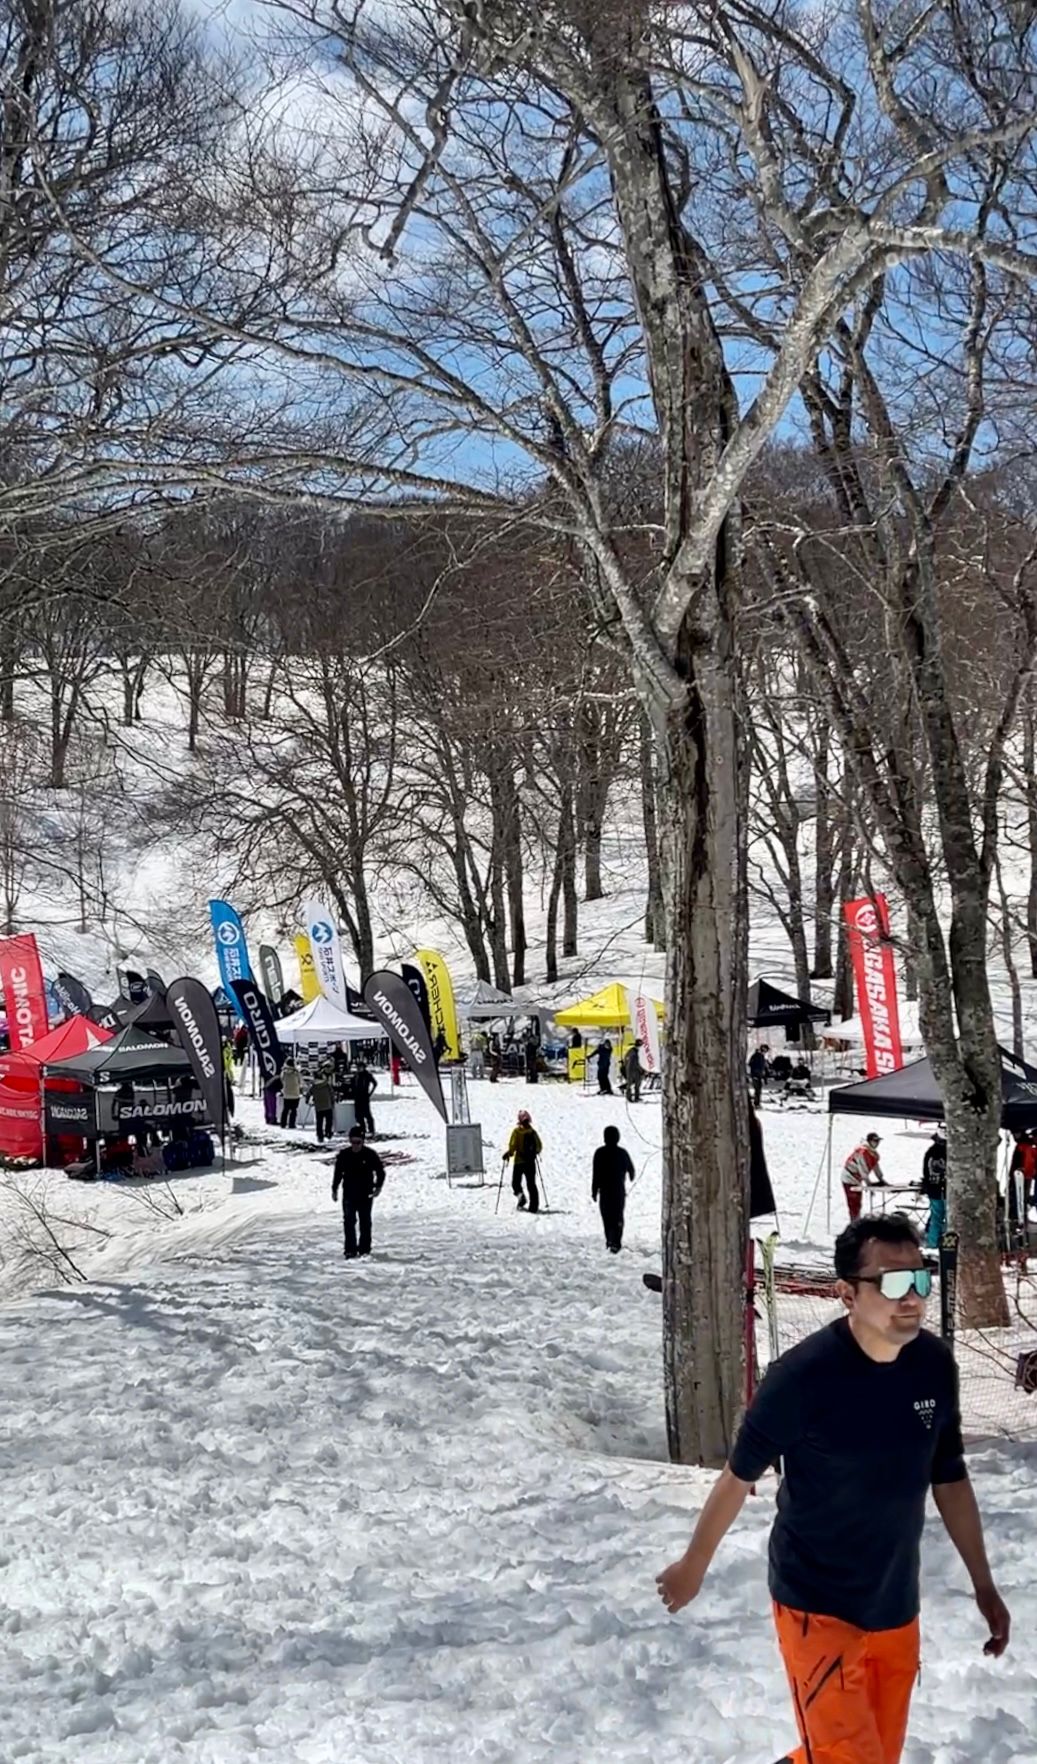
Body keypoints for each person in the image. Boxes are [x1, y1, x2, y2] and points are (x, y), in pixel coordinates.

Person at [656, 1213, 1010, 1764]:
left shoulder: (934, 1366)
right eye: (893, 1281)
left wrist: (984, 1585)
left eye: (920, 1278)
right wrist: (693, 1565)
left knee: (863, 1756)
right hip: (814, 1607)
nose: (912, 1296)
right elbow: (737, 1477)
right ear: (846, 1293)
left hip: (895, 1606)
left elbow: (951, 1479)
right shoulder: (801, 1378)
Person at [331, 1125, 386, 1258]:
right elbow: (338, 1173)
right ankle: (350, 1249)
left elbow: (380, 1172)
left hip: (366, 1193)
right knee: (349, 1222)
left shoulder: (370, 1154)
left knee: (365, 1222)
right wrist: (334, 1189)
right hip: (349, 1194)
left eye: (358, 1142)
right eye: (353, 1142)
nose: (355, 1145)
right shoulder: (344, 1155)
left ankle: (364, 1249)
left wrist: (378, 1187)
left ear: (363, 1141)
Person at [592, 1125, 635, 1252]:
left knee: (607, 1217)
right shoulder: (622, 1153)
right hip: (618, 1191)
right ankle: (616, 1241)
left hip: (605, 1191)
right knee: (617, 1216)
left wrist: (594, 1190)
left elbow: (596, 1174)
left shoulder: (600, 1153)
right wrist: (631, 1175)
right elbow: (631, 1169)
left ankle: (610, 1240)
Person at [841, 1130, 886, 1220]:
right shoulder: (862, 1152)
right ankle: (854, 1224)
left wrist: (881, 1179)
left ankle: (856, 1222)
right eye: (875, 1141)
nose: (877, 1143)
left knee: (858, 1203)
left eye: (878, 1141)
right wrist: (869, 1184)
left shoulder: (873, 1153)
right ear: (869, 1141)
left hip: (857, 1180)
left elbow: (876, 1167)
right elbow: (863, 1169)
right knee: (853, 1203)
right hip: (849, 1178)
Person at [504, 1109, 542, 1213]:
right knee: (531, 1184)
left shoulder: (517, 1132)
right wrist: (533, 1153)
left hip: (519, 1162)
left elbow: (513, 1146)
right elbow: (539, 1146)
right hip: (530, 1162)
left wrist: (509, 1154)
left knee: (516, 1183)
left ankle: (520, 1195)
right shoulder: (532, 1132)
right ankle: (534, 1207)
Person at [920, 1128, 948, 1249]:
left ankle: (932, 1244)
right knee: (948, 1218)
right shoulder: (949, 1152)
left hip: (933, 1189)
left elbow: (925, 1172)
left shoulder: (929, 1152)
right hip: (946, 1190)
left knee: (936, 1217)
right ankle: (945, 1245)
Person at [308, 1063, 336, 1143]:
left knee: (319, 1122)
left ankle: (320, 1136)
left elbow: (309, 1094)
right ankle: (328, 1132)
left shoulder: (314, 1086)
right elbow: (331, 1093)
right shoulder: (326, 1084)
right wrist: (332, 1102)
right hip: (327, 1105)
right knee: (329, 1121)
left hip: (318, 1106)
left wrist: (308, 1100)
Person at [352, 1060, 377, 1137]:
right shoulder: (356, 1075)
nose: (359, 1069)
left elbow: (375, 1083)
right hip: (357, 1097)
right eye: (358, 1067)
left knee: (367, 1114)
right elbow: (352, 1085)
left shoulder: (367, 1075)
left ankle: (371, 1129)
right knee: (358, 1115)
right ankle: (363, 1129)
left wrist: (370, 1093)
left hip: (364, 1097)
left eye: (360, 1067)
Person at [280, 1055, 301, 1129]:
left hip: (286, 1093)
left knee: (285, 1109)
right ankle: (292, 1124)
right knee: (294, 1110)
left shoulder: (283, 1072)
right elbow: (300, 1082)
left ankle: (283, 1124)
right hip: (295, 1094)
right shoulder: (296, 1072)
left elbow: (282, 1080)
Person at [748, 1045, 769, 1110]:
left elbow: (763, 1068)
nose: (765, 1052)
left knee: (758, 1090)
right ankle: (756, 1104)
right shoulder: (756, 1056)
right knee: (757, 1090)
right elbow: (752, 1065)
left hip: (759, 1076)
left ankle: (757, 1103)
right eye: (765, 1050)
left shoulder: (761, 1056)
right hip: (756, 1076)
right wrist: (754, 1075)